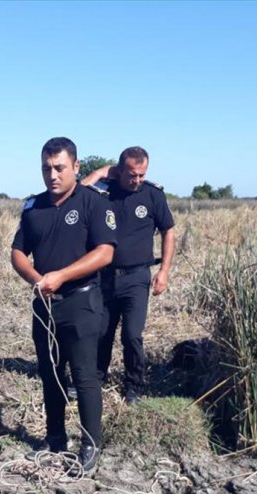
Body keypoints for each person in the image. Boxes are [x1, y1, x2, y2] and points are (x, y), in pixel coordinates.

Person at [11, 137, 117, 475]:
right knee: (50, 373)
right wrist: (37, 279)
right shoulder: (33, 207)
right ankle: (55, 439)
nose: (52, 175)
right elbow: (17, 253)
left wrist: (62, 275)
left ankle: (90, 445)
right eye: (46, 168)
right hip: (45, 304)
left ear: (75, 167)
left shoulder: (93, 203)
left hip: (82, 302)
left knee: (85, 376)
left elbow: (105, 252)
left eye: (59, 168)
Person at [82, 147, 175, 403]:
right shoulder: (103, 191)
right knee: (101, 333)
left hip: (137, 277)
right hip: (104, 277)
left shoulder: (153, 195)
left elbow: (168, 231)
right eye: (132, 175)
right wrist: (100, 172)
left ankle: (134, 385)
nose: (137, 180)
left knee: (132, 335)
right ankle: (96, 379)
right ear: (119, 170)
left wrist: (164, 270)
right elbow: (76, 194)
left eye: (142, 175)